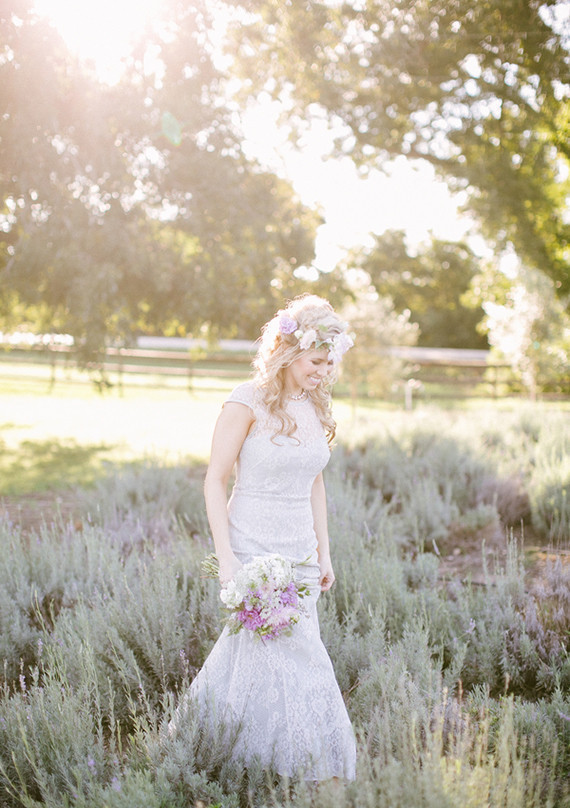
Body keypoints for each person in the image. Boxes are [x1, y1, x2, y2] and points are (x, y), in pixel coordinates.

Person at [171, 294, 356, 781]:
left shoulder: (315, 405)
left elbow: (315, 482)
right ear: (291, 351)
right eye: (317, 361)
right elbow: (215, 480)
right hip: (250, 547)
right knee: (267, 653)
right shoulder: (246, 400)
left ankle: (274, 757)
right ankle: (238, 758)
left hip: (300, 553)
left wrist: (324, 553)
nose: (324, 371)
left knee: (287, 657)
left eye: (330, 363)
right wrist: (227, 560)